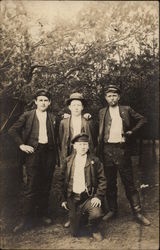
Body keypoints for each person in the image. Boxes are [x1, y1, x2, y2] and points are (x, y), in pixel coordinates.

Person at [98, 84, 151, 226]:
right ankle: (113, 211)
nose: (112, 98)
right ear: (105, 98)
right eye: (109, 96)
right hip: (107, 151)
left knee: (128, 182)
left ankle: (137, 212)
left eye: (114, 95)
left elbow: (143, 119)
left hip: (122, 150)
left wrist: (131, 132)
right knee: (109, 183)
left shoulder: (126, 109)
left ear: (119, 97)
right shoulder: (102, 111)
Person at [8, 89, 59, 232]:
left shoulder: (53, 117)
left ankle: (42, 214)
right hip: (33, 154)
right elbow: (12, 130)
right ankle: (26, 220)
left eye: (45, 100)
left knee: (46, 185)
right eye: (40, 100)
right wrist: (22, 145)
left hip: (49, 154)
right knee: (32, 186)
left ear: (49, 103)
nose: (43, 103)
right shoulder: (27, 115)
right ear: (35, 102)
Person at [58, 133, 106, 241]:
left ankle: (94, 228)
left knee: (96, 214)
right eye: (79, 144)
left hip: (88, 198)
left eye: (85, 144)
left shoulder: (95, 161)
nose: (83, 147)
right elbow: (60, 182)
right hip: (73, 198)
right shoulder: (67, 161)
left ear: (88, 146)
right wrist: (63, 199)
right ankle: (76, 217)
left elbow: (102, 180)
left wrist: (98, 196)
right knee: (75, 233)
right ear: (74, 146)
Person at [59, 92, 96, 228]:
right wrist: (64, 157)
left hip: (84, 152)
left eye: (78, 105)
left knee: (87, 179)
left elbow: (93, 138)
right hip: (69, 155)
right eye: (73, 105)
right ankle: (71, 215)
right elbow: (61, 140)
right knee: (69, 182)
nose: (76, 107)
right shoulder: (63, 122)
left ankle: (88, 212)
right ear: (69, 107)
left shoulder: (88, 120)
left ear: (82, 107)